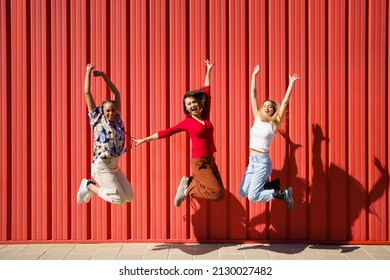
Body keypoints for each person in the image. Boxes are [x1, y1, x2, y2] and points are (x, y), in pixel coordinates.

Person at [133, 59, 224, 207]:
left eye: (194, 102)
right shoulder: (187, 123)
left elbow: (207, 92)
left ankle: (189, 182)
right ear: (186, 108)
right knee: (217, 192)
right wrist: (144, 139)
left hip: (210, 160)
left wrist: (208, 71)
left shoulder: (205, 115)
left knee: (220, 194)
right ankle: (188, 188)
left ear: (198, 103)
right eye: (189, 104)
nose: (193, 105)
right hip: (199, 162)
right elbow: (166, 132)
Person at [239, 65, 300, 212]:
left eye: (270, 107)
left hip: (262, 163)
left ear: (273, 111)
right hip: (252, 162)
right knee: (243, 192)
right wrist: (254, 76)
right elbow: (253, 96)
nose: (266, 108)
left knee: (252, 196)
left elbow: (284, 103)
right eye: (265, 106)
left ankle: (281, 193)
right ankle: (271, 187)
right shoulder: (257, 118)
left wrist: (291, 84)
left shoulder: (273, 124)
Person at [76, 63, 134, 206]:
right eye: (107, 110)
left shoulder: (118, 119)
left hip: (114, 164)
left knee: (129, 196)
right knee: (118, 200)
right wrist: (88, 72)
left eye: (113, 110)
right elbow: (87, 93)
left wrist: (103, 76)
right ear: (102, 110)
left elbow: (117, 93)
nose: (111, 113)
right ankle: (89, 185)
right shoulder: (97, 118)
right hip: (101, 165)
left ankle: (91, 187)